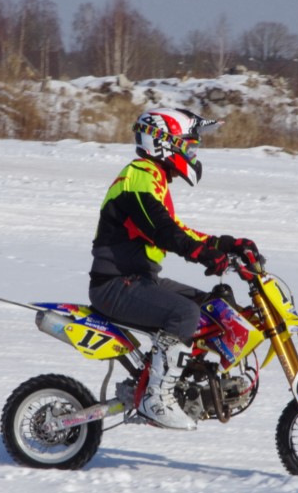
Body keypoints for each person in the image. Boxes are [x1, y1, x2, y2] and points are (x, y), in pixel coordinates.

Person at [88, 107, 259, 430]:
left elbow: (177, 230)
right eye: (188, 145)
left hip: (139, 280)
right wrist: (205, 255)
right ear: (164, 142)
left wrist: (226, 244)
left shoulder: (153, 178)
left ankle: (184, 384)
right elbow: (163, 231)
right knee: (184, 314)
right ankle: (157, 397)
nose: (192, 153)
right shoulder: (138, 174)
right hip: (115, 284)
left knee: (211, 306)